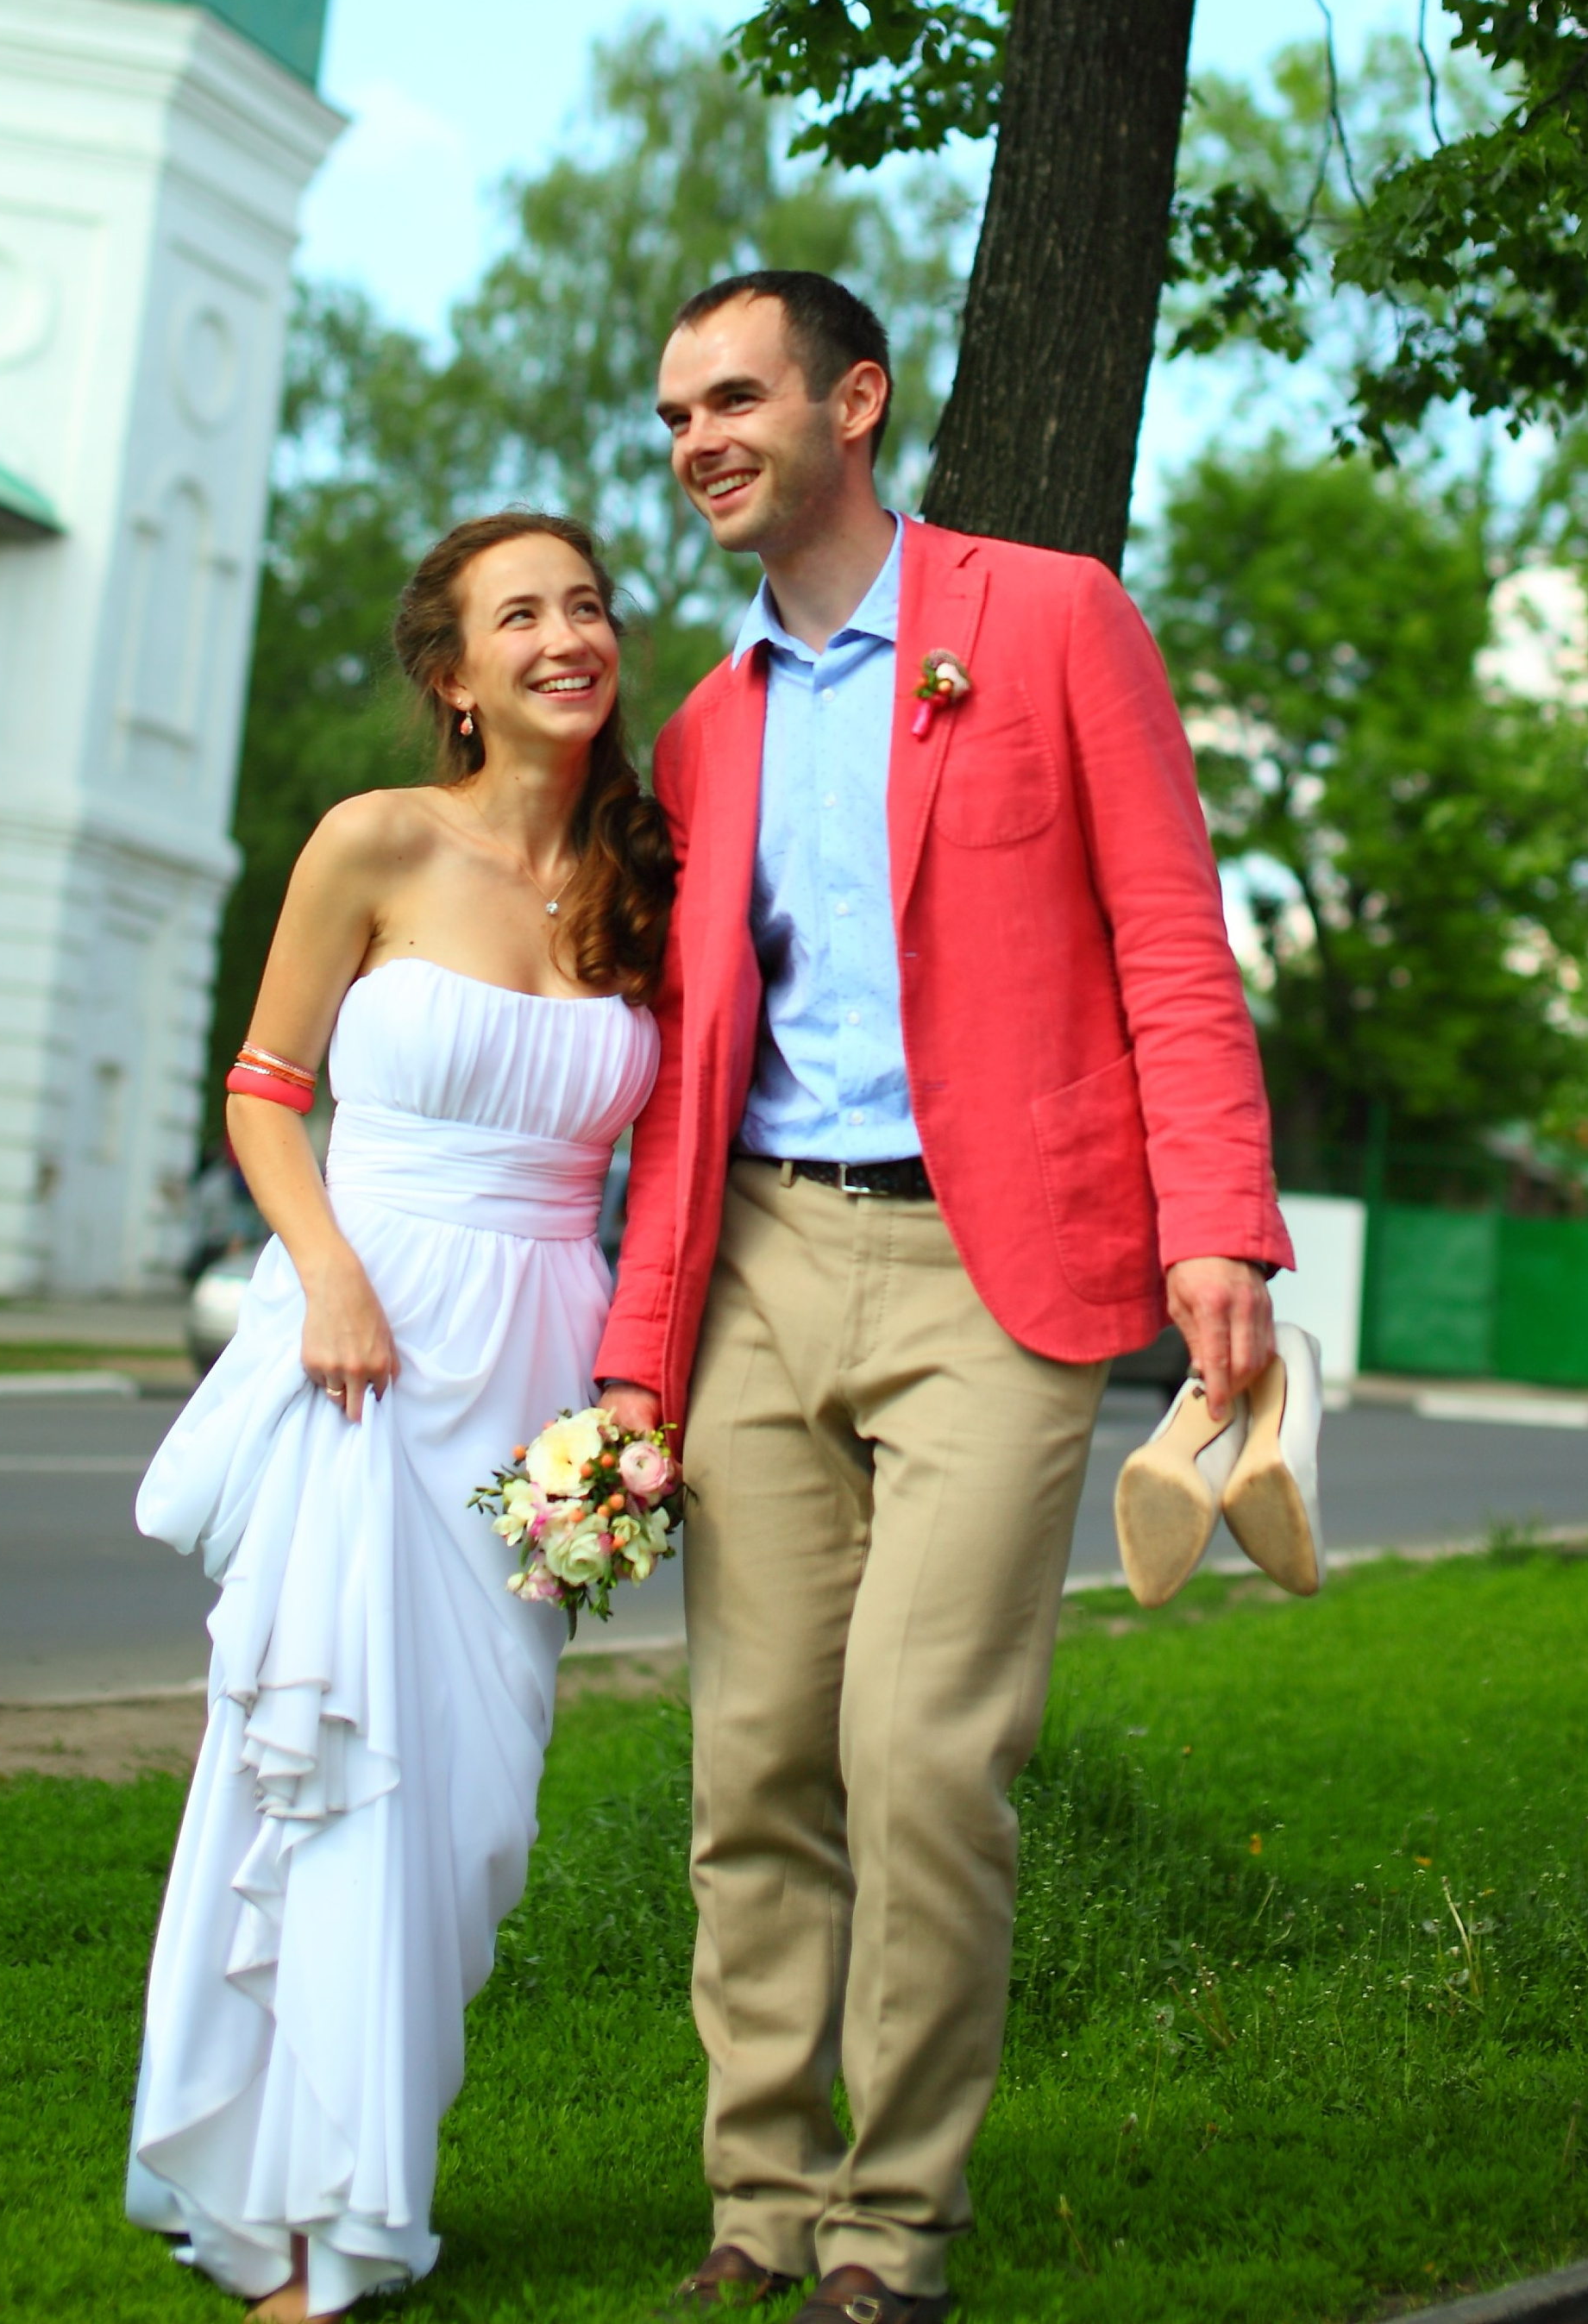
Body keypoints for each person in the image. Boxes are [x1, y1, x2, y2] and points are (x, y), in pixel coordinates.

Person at [596, 272, 1296, 2323]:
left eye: (734, 397)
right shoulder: (701, 727)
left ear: (855, 402)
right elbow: (679, 1067)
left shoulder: (1048, 615)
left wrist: (1217, 1221)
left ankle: (889, 2228)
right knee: (748, 1758)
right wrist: (638, 1359)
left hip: (995, 1268)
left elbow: (1170, 935)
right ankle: (758, 2196)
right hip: (755, 1262)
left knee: (916, 1751)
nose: (697, 439)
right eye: (669, 415)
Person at [126, 512, 672, 2321]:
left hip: (545, 1381)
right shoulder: (371, 840)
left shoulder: (640, 875)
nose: (563, 636)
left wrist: (633, 1392)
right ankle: (301, 2220)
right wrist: (331, 1277)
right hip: (361, 1344)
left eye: (584, 604)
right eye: (519, 614)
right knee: (331, 1760)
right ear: (450, 673)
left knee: (475, 1810)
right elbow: (266, 1091)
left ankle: (358, 2173)